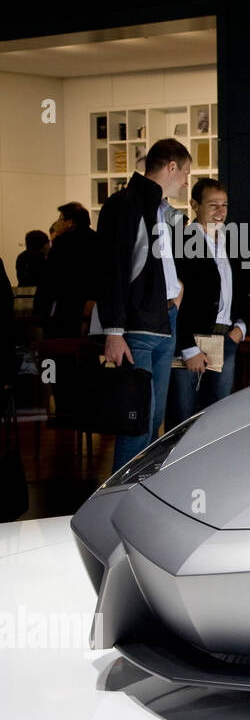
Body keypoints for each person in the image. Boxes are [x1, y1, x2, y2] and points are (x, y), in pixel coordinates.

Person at [95, 139, 191, 471]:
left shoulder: (161, 209)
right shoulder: (124, 205)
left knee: (153, 423)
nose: (186, 182)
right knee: (136, 422)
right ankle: (118, 501)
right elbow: (112, 271)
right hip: (136, 328)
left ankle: (138, 499)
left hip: (164, 322)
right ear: (171, 166)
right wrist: (114, 331)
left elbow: (159, 261)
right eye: (185, 173)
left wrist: (175, 293)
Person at [167, 179, 248, 425]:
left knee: (217, 420)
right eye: (213, 205)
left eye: (224, 205)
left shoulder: (233, 240)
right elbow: (174, 299)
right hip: (190, 344)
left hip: (226, 340)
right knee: (182, 420)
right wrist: (187, 347)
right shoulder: (180, 241)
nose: (220, 211)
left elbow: (242, 289)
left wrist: (241, 328)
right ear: (194, 205)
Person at [36, 203, 98, 338]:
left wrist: (40, 312)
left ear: (70, 222)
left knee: (59, 349)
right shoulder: (97, 240)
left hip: (66, 307)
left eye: (60, 219)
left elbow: (48, 279)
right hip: (93, 309)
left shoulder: (62, 243)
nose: (58, 223)